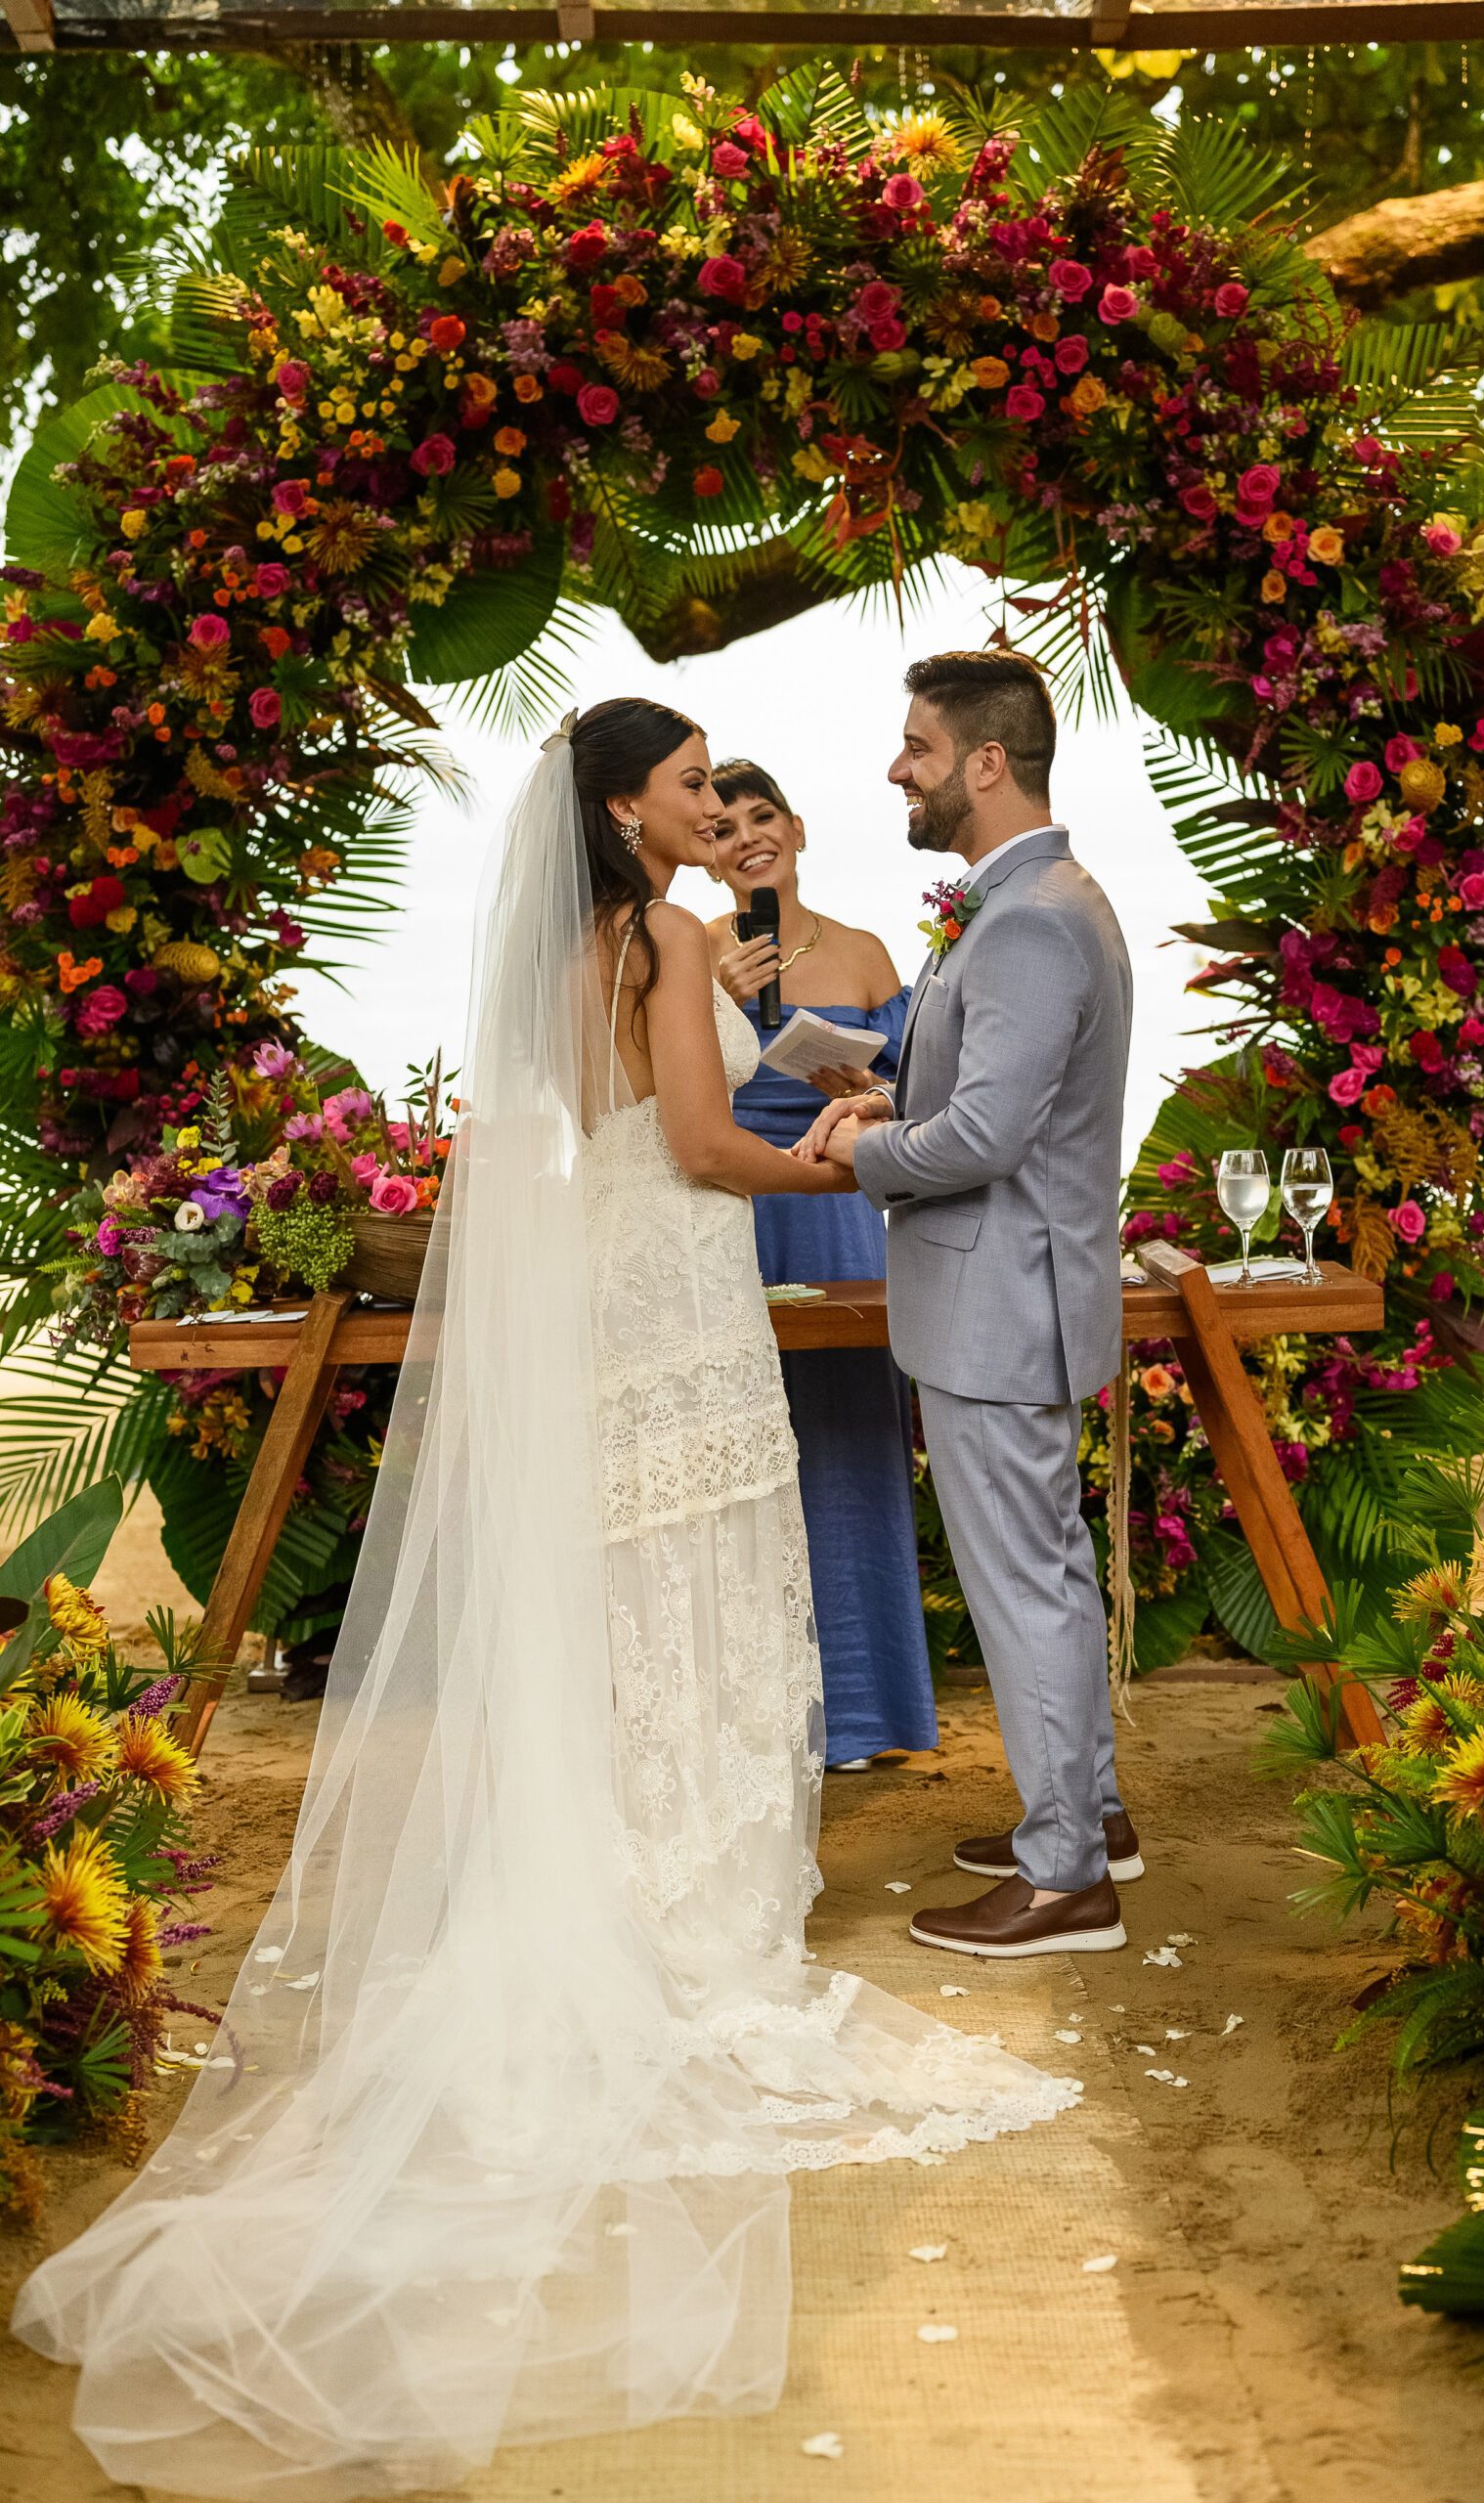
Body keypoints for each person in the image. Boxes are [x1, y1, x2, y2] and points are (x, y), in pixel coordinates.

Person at [13, 697, 1079, 2501]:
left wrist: (788, 1111)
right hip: (674, 1286)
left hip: (607, 1292)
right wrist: (823, 1158)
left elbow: (591, 1127)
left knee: (643, 1593)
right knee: (705, 1585)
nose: (707, 810)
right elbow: (690, 1143)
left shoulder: (574, 939)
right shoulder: (659, 933)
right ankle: (685, 1929)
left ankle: (629, 1882)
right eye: (682, 786)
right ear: (620, 804)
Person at [800, 650, 1146, 1960]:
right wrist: (901, 1105)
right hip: (1009, 1295)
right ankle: (1090, 1820)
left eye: (918, 747)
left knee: (1025, 1586)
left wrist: (858, 1155)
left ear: (986, 763)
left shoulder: (1030, 916)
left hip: (1000, 1303)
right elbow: (1006, 1105)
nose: (899, 768)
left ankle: (1065, 1881)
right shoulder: (1032, 900)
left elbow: (992, 1137)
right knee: (1043, 1569)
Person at [704, 758, 938, 1772]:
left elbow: (925, 1095)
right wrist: (712, 1005)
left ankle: (860, 1713)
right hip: (731, 1223)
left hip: (840, 1220)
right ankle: (752, 1722)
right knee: (741, 1460)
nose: (747, 836)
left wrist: (865, 1084)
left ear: (796, 828)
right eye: (722, 827)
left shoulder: (864, 950)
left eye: (762, 817)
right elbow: (662, 1104)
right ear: (703, 852)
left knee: (847, 1448)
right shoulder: (692, 955)